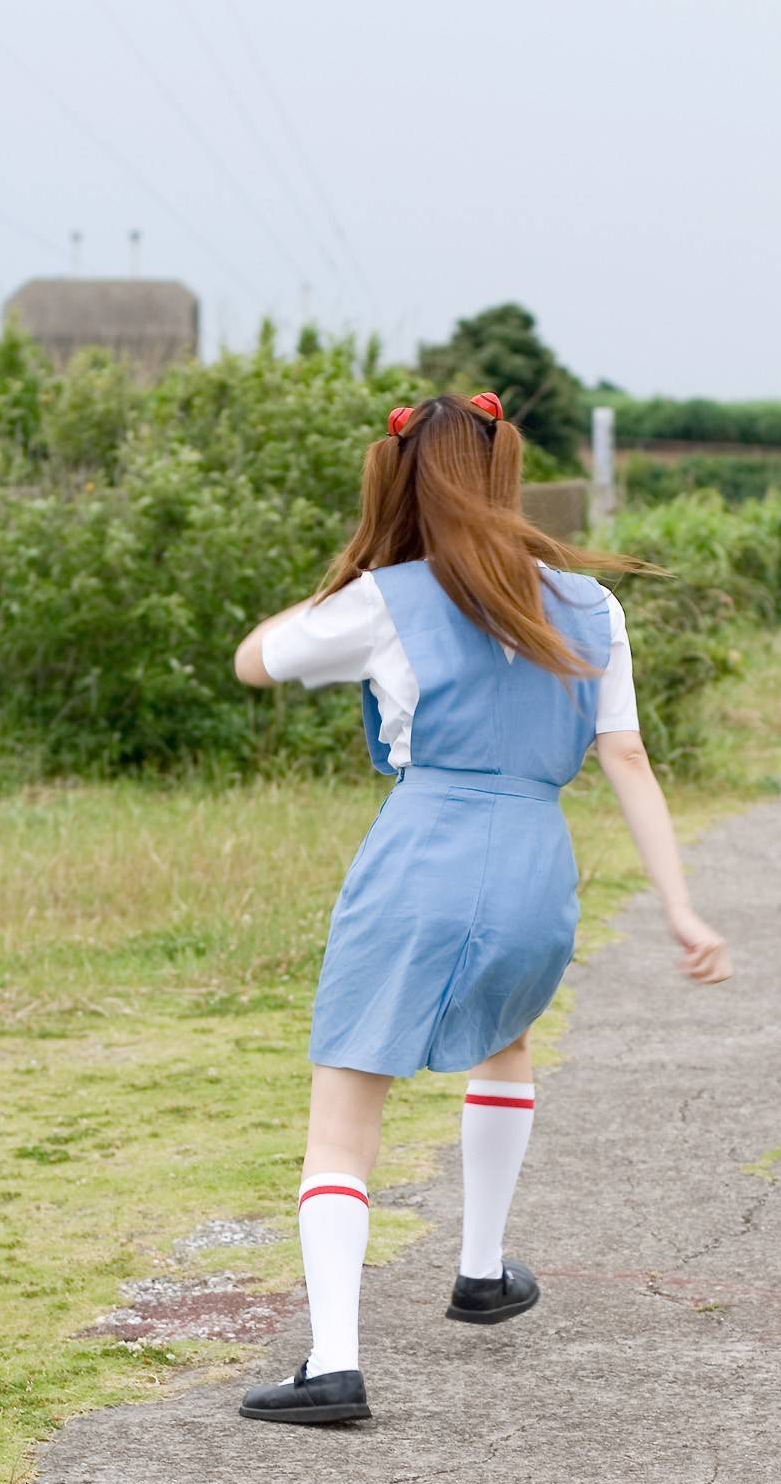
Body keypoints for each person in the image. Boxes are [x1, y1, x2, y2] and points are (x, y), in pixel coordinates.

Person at [232, 390, 730, 1426]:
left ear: (401, 478)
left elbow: (255, 660)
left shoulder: (386, 599)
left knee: (344, 1117)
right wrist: (680, 908)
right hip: (536, 872)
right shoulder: (594, 607)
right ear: (507, 474)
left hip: (423, 856)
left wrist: (356, 565)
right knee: (502, 1040)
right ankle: (481, 1268)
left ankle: (333, 1363)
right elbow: (627, 758)